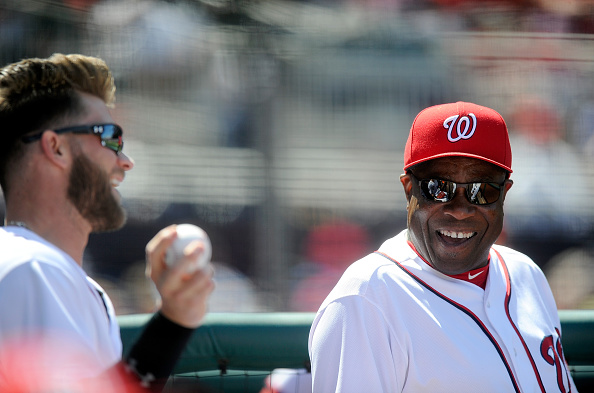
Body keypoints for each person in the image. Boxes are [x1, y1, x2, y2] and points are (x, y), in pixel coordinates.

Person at [308, 102, 577, 392]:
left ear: (504, 194)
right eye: (438, 188)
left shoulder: (526, 274)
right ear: (409, 189)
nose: (460, 210)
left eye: (482, 190)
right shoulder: (366, 299)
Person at [0, 54, 215, 392]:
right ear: (55, 147)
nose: (126, 161)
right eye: (110, 136)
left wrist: (174, 321)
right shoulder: (31, 269)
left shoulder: (46, 271)